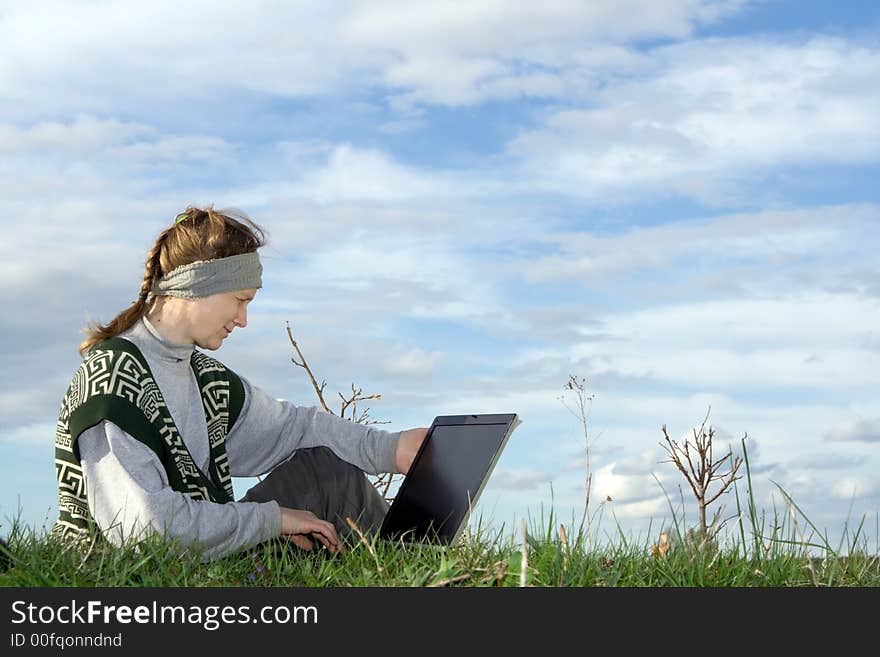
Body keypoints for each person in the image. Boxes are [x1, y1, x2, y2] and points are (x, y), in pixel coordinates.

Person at [52, 205, 428, 561]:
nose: (243, 319)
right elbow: (144, 532)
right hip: (129, 578)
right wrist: (272, 520)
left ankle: (428, 571)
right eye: (239, 300)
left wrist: (392, 450)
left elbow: (295, 429)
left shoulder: (205, 379)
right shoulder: (112, 382)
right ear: (196, 286)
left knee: (329, 472)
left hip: (202, 555)